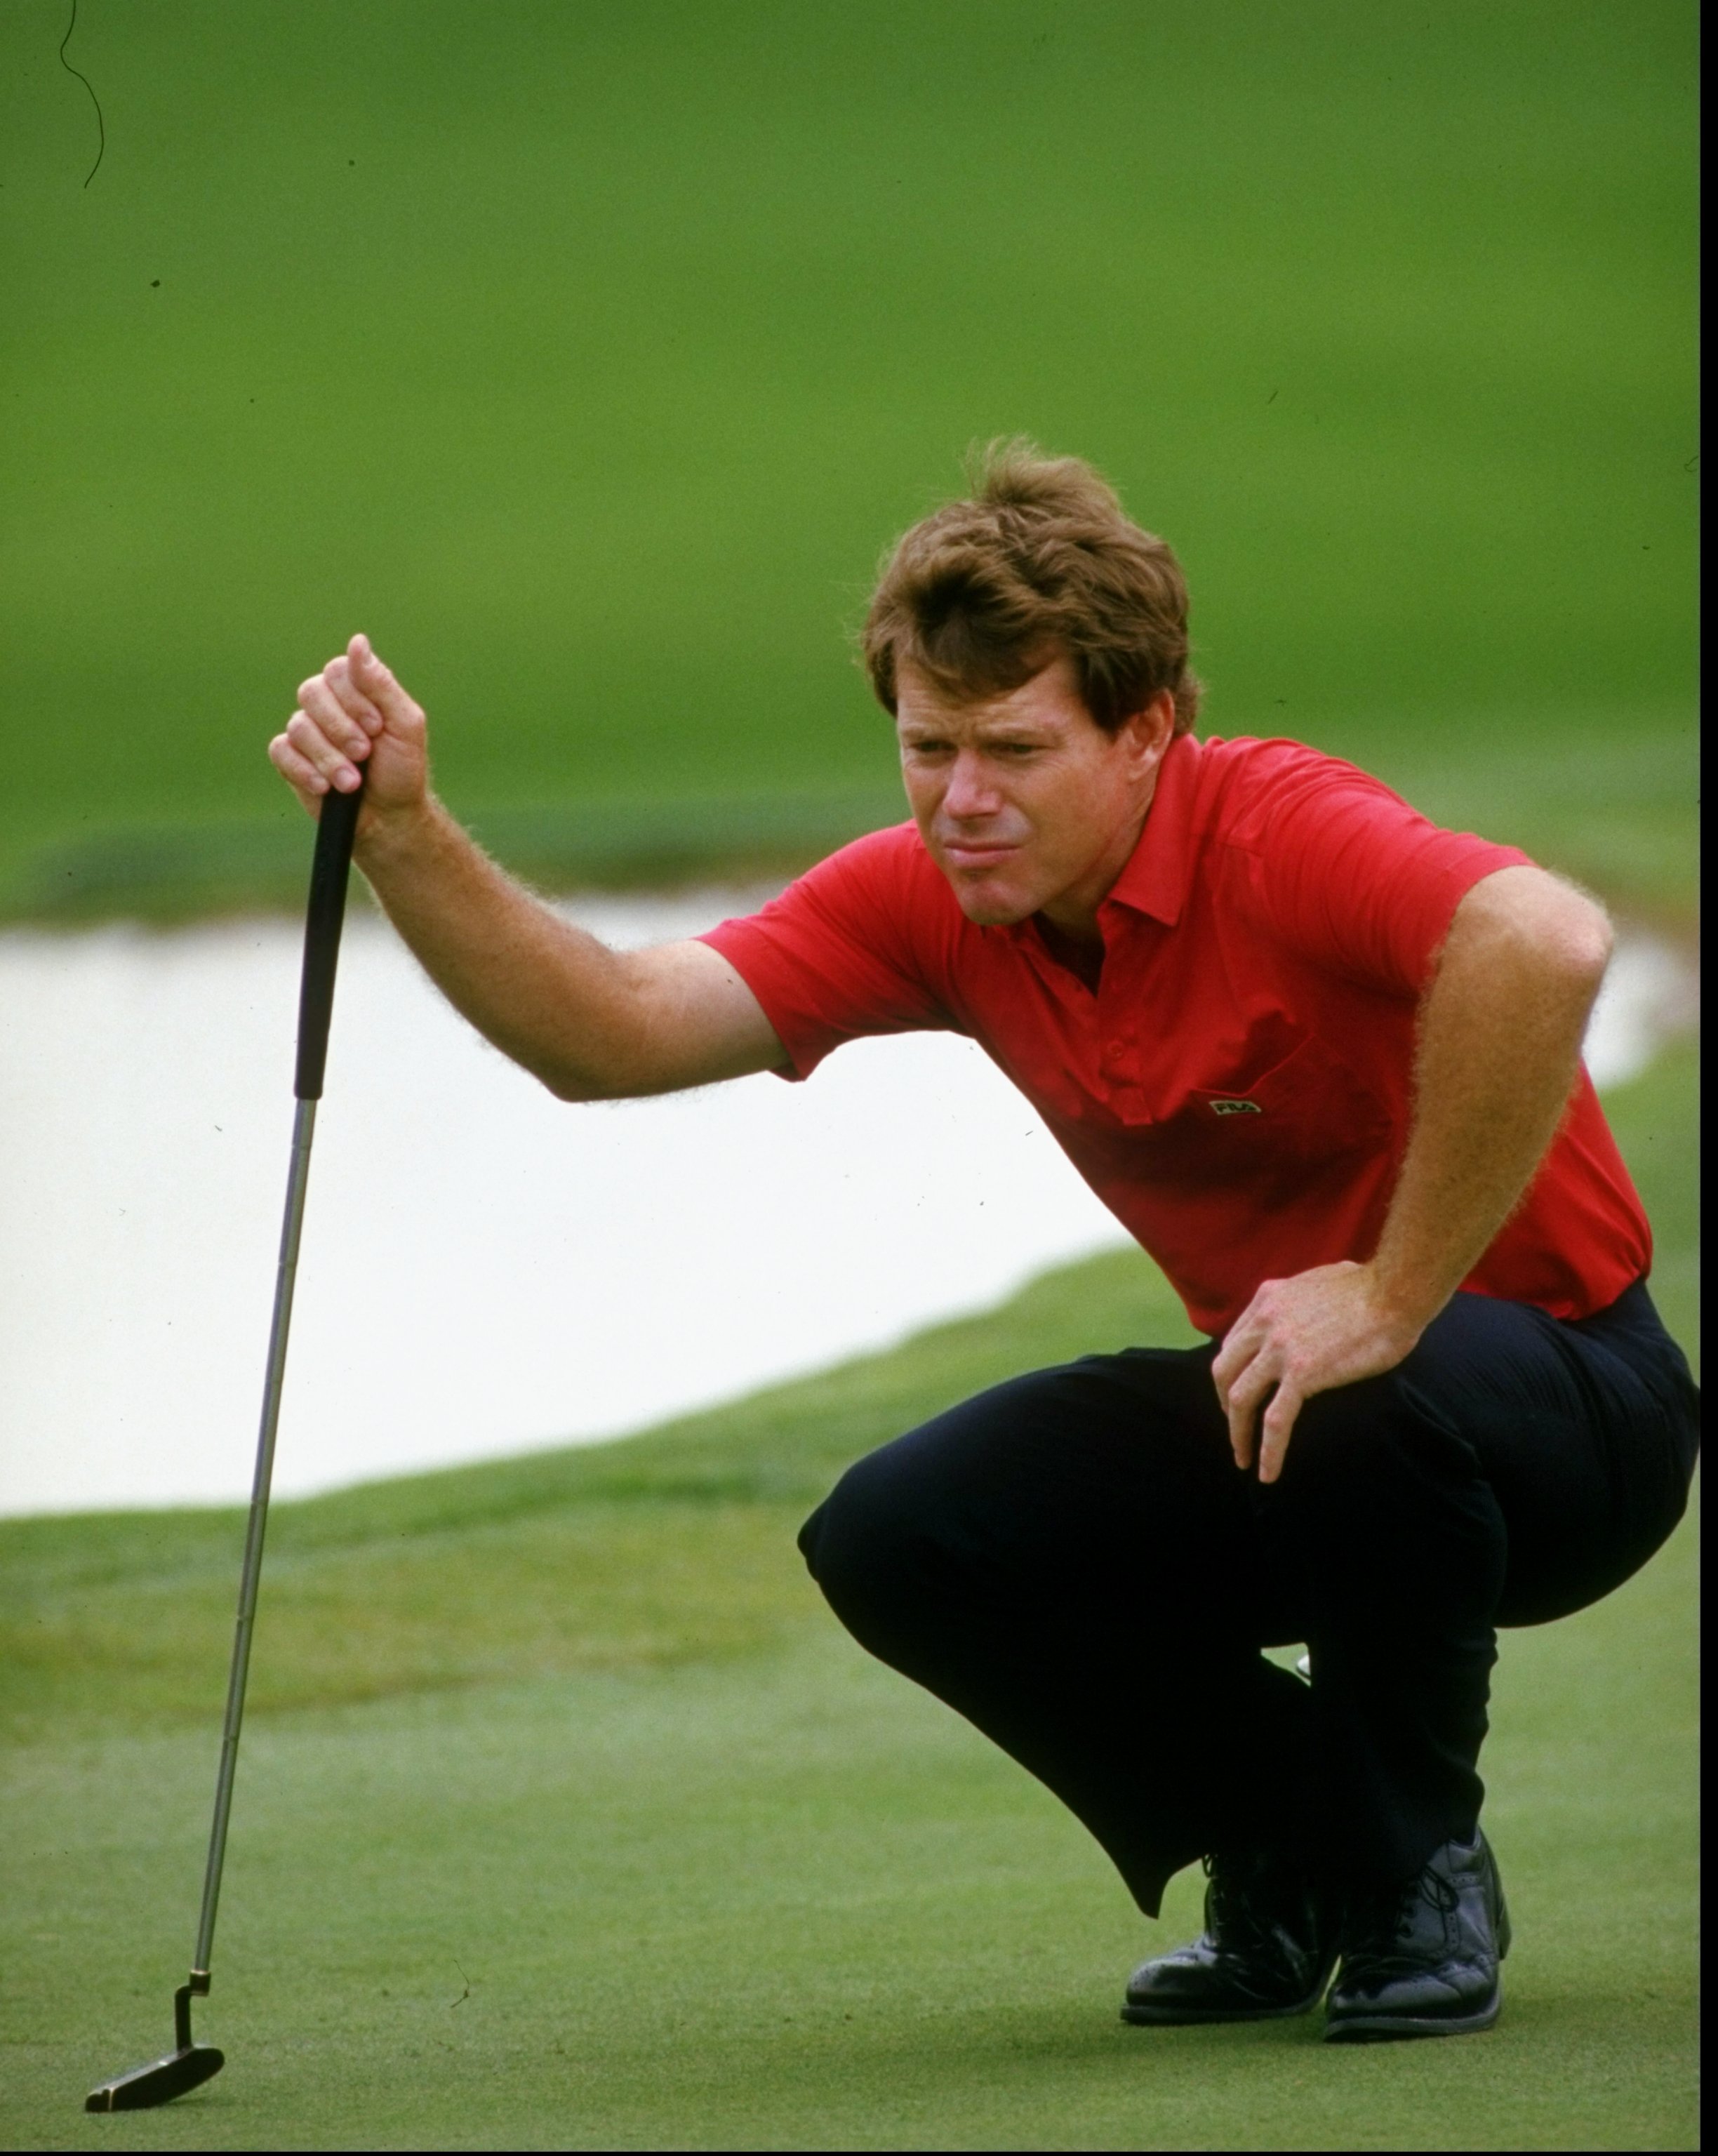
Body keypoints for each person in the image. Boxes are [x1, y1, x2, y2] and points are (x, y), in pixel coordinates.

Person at [269, 444, 1698, 2043]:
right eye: (928, 746)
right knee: (902, 1537)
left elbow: (1545, 939)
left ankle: (1412, 1869)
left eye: (1015, 748)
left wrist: (1392, 1289)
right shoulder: (943, 896)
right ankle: (1298, 1838)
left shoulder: (1274, 829)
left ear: (1147, 731)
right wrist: (403, 834)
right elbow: (615, 1032)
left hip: (1576, 1422)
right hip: (1300, 1419)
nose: (963, 797)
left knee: (1351, 1381)